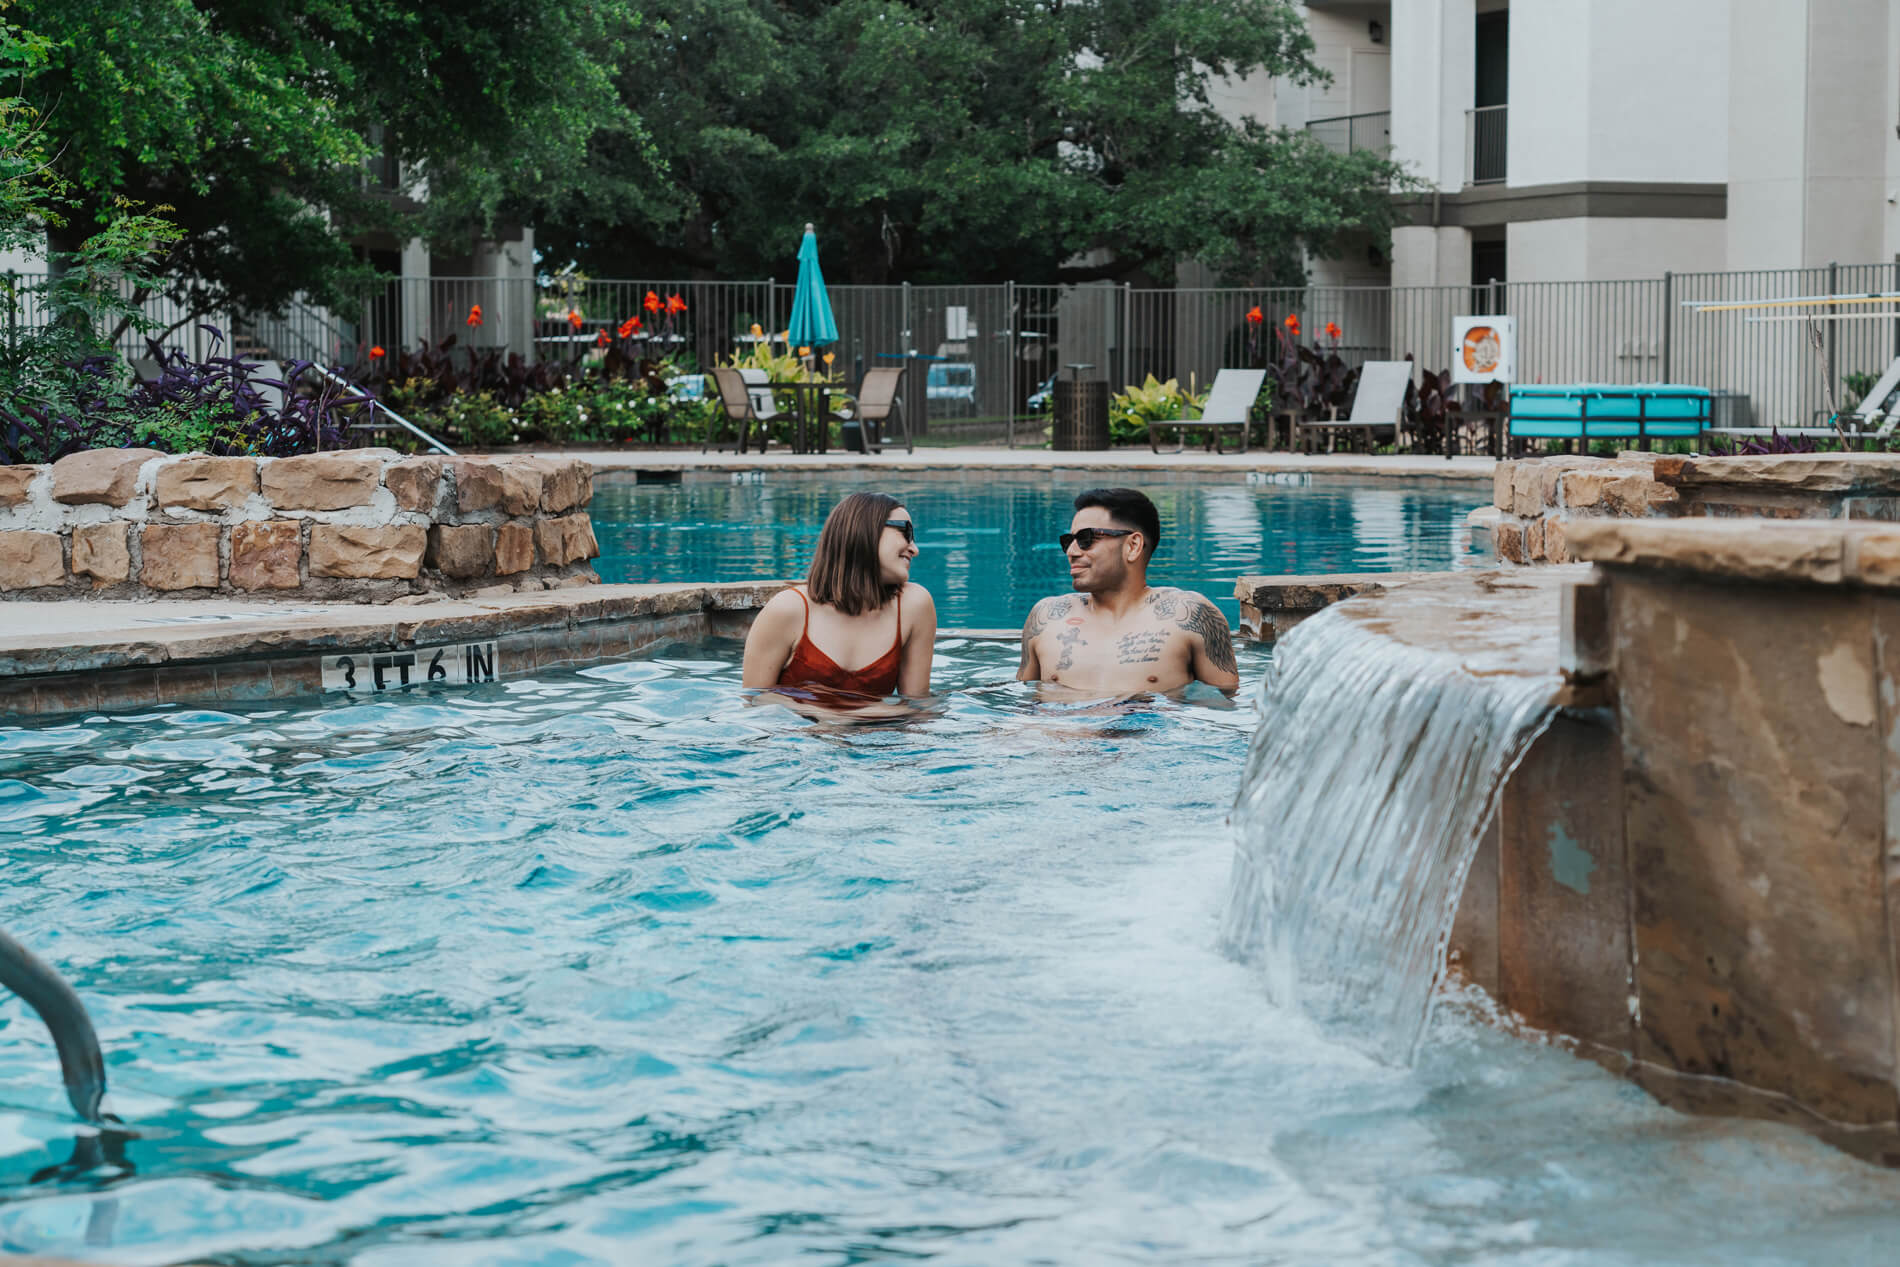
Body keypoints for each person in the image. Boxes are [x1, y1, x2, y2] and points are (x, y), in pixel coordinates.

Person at [1018, 487, 1239, 696]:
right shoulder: (1046, 617)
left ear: (1133, 546)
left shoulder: (1189, 614)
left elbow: (1222, 707)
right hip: (1053, 734)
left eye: (1086, 539)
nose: (1072, 551)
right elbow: (1021, 704)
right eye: (1068, 541)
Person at [743, 491, 937, 707]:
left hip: (879, 737)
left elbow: (918, 710)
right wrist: (843, 717)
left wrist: (837, 718)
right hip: (798, 738)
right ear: (864, 529)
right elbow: (753, 705)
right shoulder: (787, 610)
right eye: (906, 532)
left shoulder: (914, 605)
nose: (914, 548)